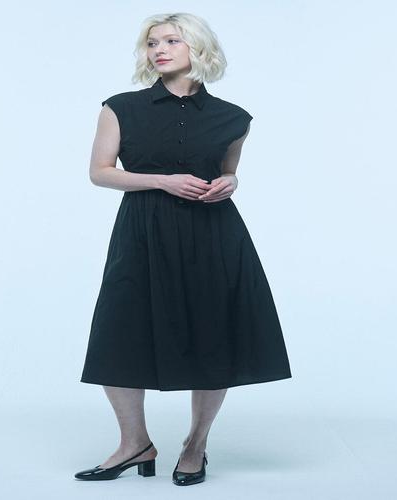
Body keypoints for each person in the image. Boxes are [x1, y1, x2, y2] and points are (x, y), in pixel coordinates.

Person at [75, 12, 292, 486]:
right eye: (152, 42)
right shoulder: (120, 107)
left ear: (198, 47)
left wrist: (231, 181)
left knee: (213, 335)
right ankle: (135, 443)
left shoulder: (234, 118)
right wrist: (162, 181)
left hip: (212, 233)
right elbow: (100, 172)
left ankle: (195, 445)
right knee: (119, 333)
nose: (159, 49)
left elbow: (228, 170)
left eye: (171, 40)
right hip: (141, 232)